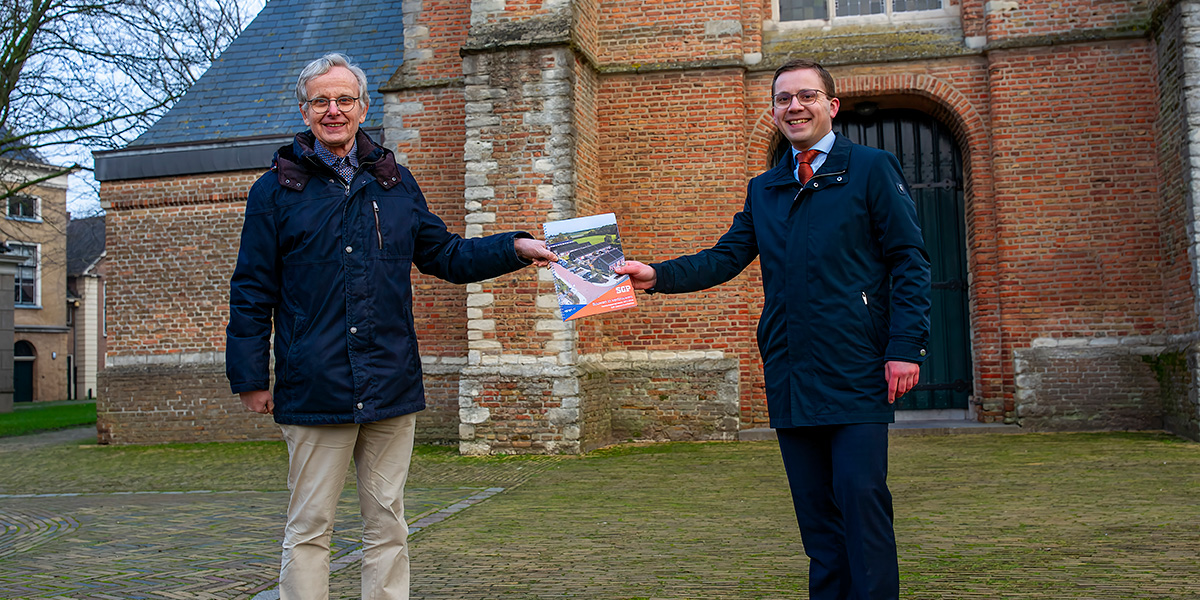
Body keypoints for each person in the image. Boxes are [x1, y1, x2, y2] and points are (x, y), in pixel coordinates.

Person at [225, 53, 556, 600]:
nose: (334, 110)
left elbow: (445, 254)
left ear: (363, 107)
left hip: (390, 383)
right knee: (309, 530)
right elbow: (252, 288)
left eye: (344, 100)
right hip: (316, 385)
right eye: (321, 101)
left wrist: (516, 246)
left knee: (388, 526)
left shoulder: (395, 183)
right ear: (305, 112)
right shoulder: (274, 191)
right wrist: (250, 376)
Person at [616, 58, 931, 600]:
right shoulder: (765, 187)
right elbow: (724, 257)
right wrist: (655, 275)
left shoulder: (871, 168)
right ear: (774, 111)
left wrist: (905, 346)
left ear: (831, 106)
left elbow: (910, 260)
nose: (795, 107)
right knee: (818, 526)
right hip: (791, 370)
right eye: (784, 99)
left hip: (857, 367)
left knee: (862, 507)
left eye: (807, 96)